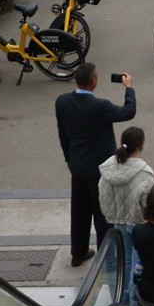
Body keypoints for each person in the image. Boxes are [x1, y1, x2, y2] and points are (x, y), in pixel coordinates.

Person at [55, 63, 137, 267]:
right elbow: (128, 111)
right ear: (93, 81)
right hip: (101, 169)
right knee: (103, 215)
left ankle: (78, 252)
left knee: (79, 211)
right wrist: (129, 87)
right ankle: (106, 258)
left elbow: (63, 134)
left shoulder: (62, 102)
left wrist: (68, 158)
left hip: (78, 166)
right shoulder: (101, 106)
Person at [98, 125, 154, 304]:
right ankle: (134, 302)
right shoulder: (144, 173)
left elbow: (103, 195)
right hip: (138, 224)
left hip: (118, 220)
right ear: (141, 145)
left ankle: (122, 301)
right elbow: (148, 203)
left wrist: (111, 214)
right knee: (138, 265)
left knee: (125, 261)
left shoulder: (108, 168)